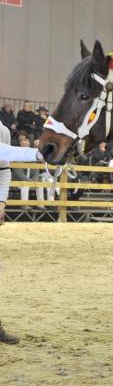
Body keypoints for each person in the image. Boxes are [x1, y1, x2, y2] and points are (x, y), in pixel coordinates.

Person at [0, 122, 42, 345]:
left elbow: (3, 169)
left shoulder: (3, 130)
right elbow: (4, 151)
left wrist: (1, 201)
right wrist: (36, 153)